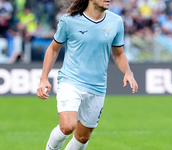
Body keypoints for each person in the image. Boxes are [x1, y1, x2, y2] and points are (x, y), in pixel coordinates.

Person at [37, 0, 138, 150]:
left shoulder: (116, 21)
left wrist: (128, 72)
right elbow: (53, 49)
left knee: (83, 137)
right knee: (67, 126)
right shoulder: (69, 20)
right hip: (70, 81)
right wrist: (43, 78)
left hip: (97, 86)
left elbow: (118, 53)